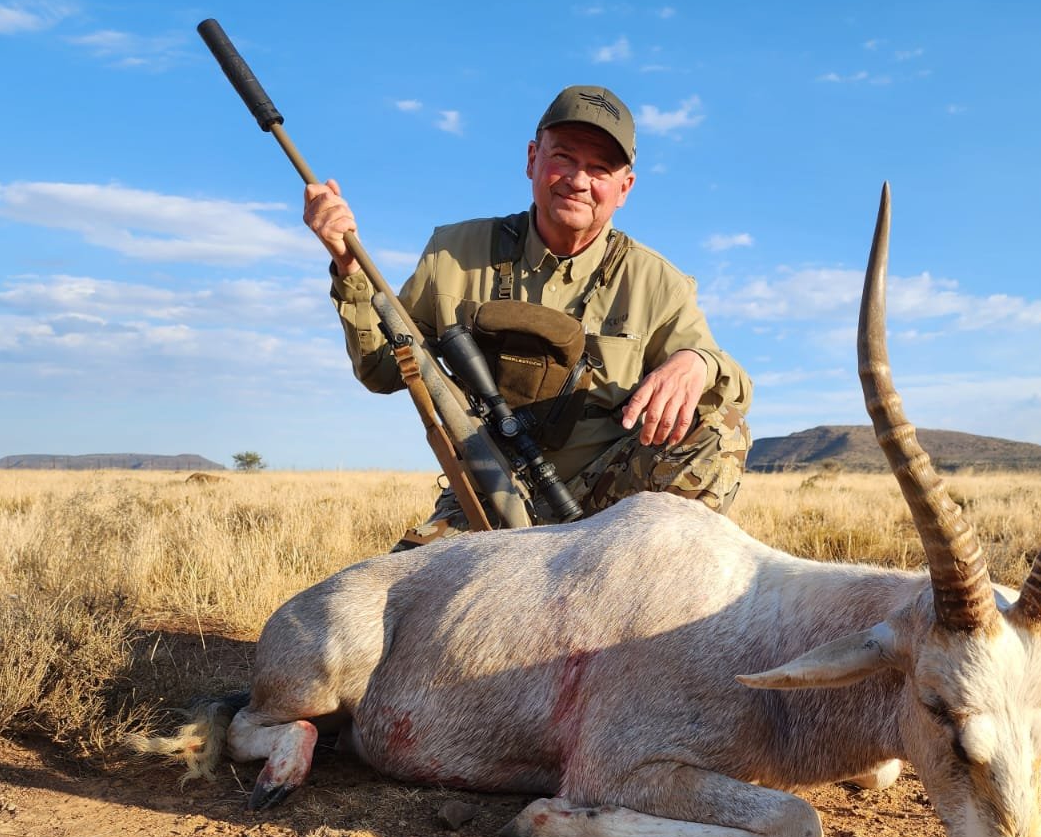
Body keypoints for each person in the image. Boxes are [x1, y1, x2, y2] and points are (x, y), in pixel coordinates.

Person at [302, 84, 752, 548]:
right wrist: (348, 268)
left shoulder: (658, 282)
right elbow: (381, 370)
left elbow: (736, 385)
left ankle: (641, 593)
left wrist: (697, 362)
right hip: (489, 496)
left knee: (720, 431)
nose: (579, 180)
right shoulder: (452, 253)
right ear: (533, 158)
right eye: (564, 158)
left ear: (625, 188)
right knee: (395, 600)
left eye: (600, 168)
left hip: (609, 511)